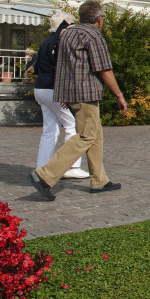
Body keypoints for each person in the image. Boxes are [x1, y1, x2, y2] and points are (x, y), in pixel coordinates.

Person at [27, 0, 128, 201]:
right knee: (86, 136)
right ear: (99, 19)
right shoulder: (93, 35)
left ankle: (99, 180)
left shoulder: (68, 33)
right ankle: (44, 175)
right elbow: (104, 69)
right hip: (86, 93)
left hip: (70, 91)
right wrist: (119, 95)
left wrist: (63, 94)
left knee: (95, 133)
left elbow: (61, 66)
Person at [31, 12, 89, 179]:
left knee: (50, 130)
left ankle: (42, 167)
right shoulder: (58, 42)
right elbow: (59, 69)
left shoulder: (46, 41)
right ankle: (71, 166)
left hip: (41, 89)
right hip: (52, 90)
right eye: (71, 24)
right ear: (63, 25)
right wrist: (63, 93)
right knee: (73, 126)